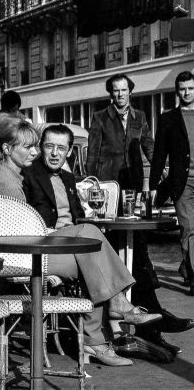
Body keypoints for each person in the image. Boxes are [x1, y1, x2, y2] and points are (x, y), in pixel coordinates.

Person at [0, 115, 161, 366]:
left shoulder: (13, 176)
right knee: (91, 251)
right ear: (8, 149)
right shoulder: (6, 181)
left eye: (34, 146)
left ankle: (101, 333)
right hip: (17, 258)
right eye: (30, 147)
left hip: (27, 250)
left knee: (91, 249)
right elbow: (21, 234)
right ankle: (105, 327)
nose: (35, 152)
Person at [30, 124, 193, 356]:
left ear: (69, 152)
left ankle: (110, 334)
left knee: (118, 247)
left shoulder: (66, 177)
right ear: (40, 147)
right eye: (49, 146)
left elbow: (77, 215)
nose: (55, 153)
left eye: (61, 148)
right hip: (48, 245)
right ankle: (120, 315)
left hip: (73, 242)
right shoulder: (29, 173)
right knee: (94, 250)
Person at [151, 70, 194, 297]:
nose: (187, 92)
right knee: (189, 228)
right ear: (177, 91)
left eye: (190, 88)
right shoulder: (168, 118)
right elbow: (159, 154)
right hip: (182, 182)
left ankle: (187, 266)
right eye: (183, 89)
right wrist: (152, 186)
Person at [86, 74, 153, 190]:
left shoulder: (139, 116)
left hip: (133, 179)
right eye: (116, 91)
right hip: (108, 181)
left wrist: (161, 168)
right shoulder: (100, 117)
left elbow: (150, 147)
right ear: (111, 94)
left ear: (130, 92)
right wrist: (92, 182)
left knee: (132, 209)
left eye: (124, 90)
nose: (120, 94)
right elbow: (92, 155)